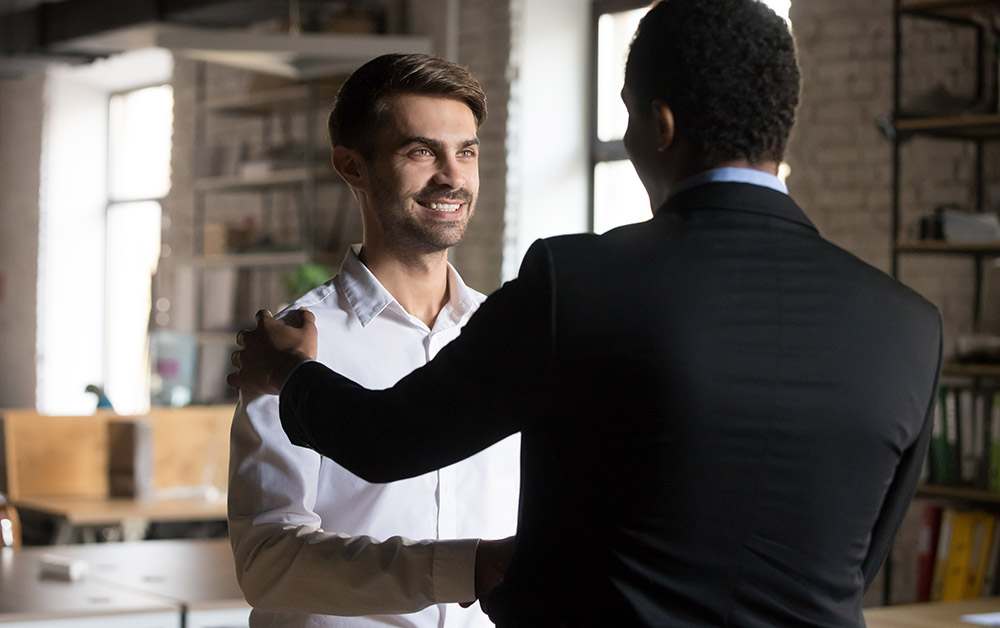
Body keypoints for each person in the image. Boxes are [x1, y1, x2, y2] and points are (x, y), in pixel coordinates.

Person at [229, 1, 943, 625]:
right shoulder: (909, 324)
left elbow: (386, 440)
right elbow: (862, 557)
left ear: (659, 125)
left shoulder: (576, 292)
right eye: (422, 152)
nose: (452, 174)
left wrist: (292, 375)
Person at [226, 53, 520, 628]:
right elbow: (268, 561)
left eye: (466, 151)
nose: (452, 176)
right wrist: (465, 569)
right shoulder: (293, 345)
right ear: (351, 166)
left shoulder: (509, 334)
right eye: (420, 151)